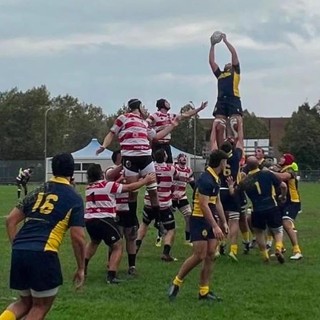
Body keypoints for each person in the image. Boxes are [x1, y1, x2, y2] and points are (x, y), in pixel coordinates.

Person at [0, 153, 86, 320]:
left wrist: (17, 246)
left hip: (20, 250)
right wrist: (81, 267)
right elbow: (78, 237)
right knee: (40, 306)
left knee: (23, 303)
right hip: (43, 252)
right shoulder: (74, 197)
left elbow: (11, 220)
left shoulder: (38, 190)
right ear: (72, 171)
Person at [96, 98, 179, 237]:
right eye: (143, 107)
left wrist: (172, 125)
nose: (146, 110)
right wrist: (104, 146)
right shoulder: (123, 118)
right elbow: (111, 133)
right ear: (139, 107)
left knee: (153, 190)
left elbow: (156, 137)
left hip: (146, 157)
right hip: (130, 158)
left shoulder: (145, 123)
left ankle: (159, 221)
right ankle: (132, 220)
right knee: (133, 191)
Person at [168, 150, 229, 301]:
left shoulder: (216, 179)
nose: (227, 164)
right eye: (226, 161)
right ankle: (176, 282)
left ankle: (204, 291)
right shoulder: (205, 179)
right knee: (199, 255)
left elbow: (217, 201)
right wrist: (215, 226)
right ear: (221, 162)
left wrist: (224, 222)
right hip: (200, 219)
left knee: (210, 255)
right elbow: (203, 205)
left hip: (211, 219)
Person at [84, 164, 156, 283]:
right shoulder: (108, 185)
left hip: (89, 221)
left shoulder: (89, 188)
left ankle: (83, 267)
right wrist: (145, 180)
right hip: (104, 219)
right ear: (101, 174)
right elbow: (130, 187)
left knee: (94, 242)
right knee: (117, 246)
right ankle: (111, 276)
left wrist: (118, 180)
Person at [227, 156, 287, 264]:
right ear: (258, 164)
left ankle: (265, 256)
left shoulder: (245, 181)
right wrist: (283, 196)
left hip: (257, 210)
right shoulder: (267, 174)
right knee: (278, 230)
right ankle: (278, 248)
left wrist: (231, 185)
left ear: (247, 167)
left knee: (258, 232)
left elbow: (233, 193)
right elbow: (283, 185)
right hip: (271, 206)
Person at [136, 149, 177, 261]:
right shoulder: (171, 169)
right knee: (171, 229)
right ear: (164, 157)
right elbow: (175, 178)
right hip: (164, 204)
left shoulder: (150, 168)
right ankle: (166, 253)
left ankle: (135, 248)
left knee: (144, 224)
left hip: (149, 202)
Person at [105, 150, 139, 276]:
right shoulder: (111, 170)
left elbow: (135, 187)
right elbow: (109, 178)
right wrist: (123, 166)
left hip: (129, 209)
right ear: (117, 158)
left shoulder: (131, 171)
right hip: (116, 210)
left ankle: (132, 266)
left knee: (131, 237)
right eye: (122, 157)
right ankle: (111, 264)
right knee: (115, 240)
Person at [209, 33, 243, 150]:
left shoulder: (235, 71)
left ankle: (238, 149)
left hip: (233, 99)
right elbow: (212, 62)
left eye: (229, 63)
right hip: (221, 101)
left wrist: (225, 41)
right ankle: (220, 150)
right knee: (219, 124)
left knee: (235, 124)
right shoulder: (220, 74)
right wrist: (212, 45)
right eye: (226, 63)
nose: (228, 63)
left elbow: (233, 53)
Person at [147, 99, 208, 163]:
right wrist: (155, 130)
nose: (169, 103)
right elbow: (147, 123)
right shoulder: (155, 115)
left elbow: (186, 115)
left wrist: (199, 109)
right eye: (166, 102)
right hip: (157, 144)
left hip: (167, 144)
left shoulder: (170, 116)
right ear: (162, 104)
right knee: (156, 164)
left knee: (169, 164)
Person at [271, 153, 303, 260]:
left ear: (288, 160)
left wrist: (269, 172)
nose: (281, 159)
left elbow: (282, 177)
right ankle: (280, 248)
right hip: (282, 201)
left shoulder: (290, 170)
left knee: (286, 223)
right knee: (274, 223)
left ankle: (297, 251)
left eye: (283, 158)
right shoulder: (280, 168)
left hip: (293, 201)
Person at [219, 137, 243, 261]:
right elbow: (240, 144)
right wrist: (238, 128)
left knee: (221, 220)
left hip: (220, 190)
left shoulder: (218, 158)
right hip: (232, 189)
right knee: (234, 221)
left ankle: (220, 244)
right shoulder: (235, 157)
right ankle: (233, 249)